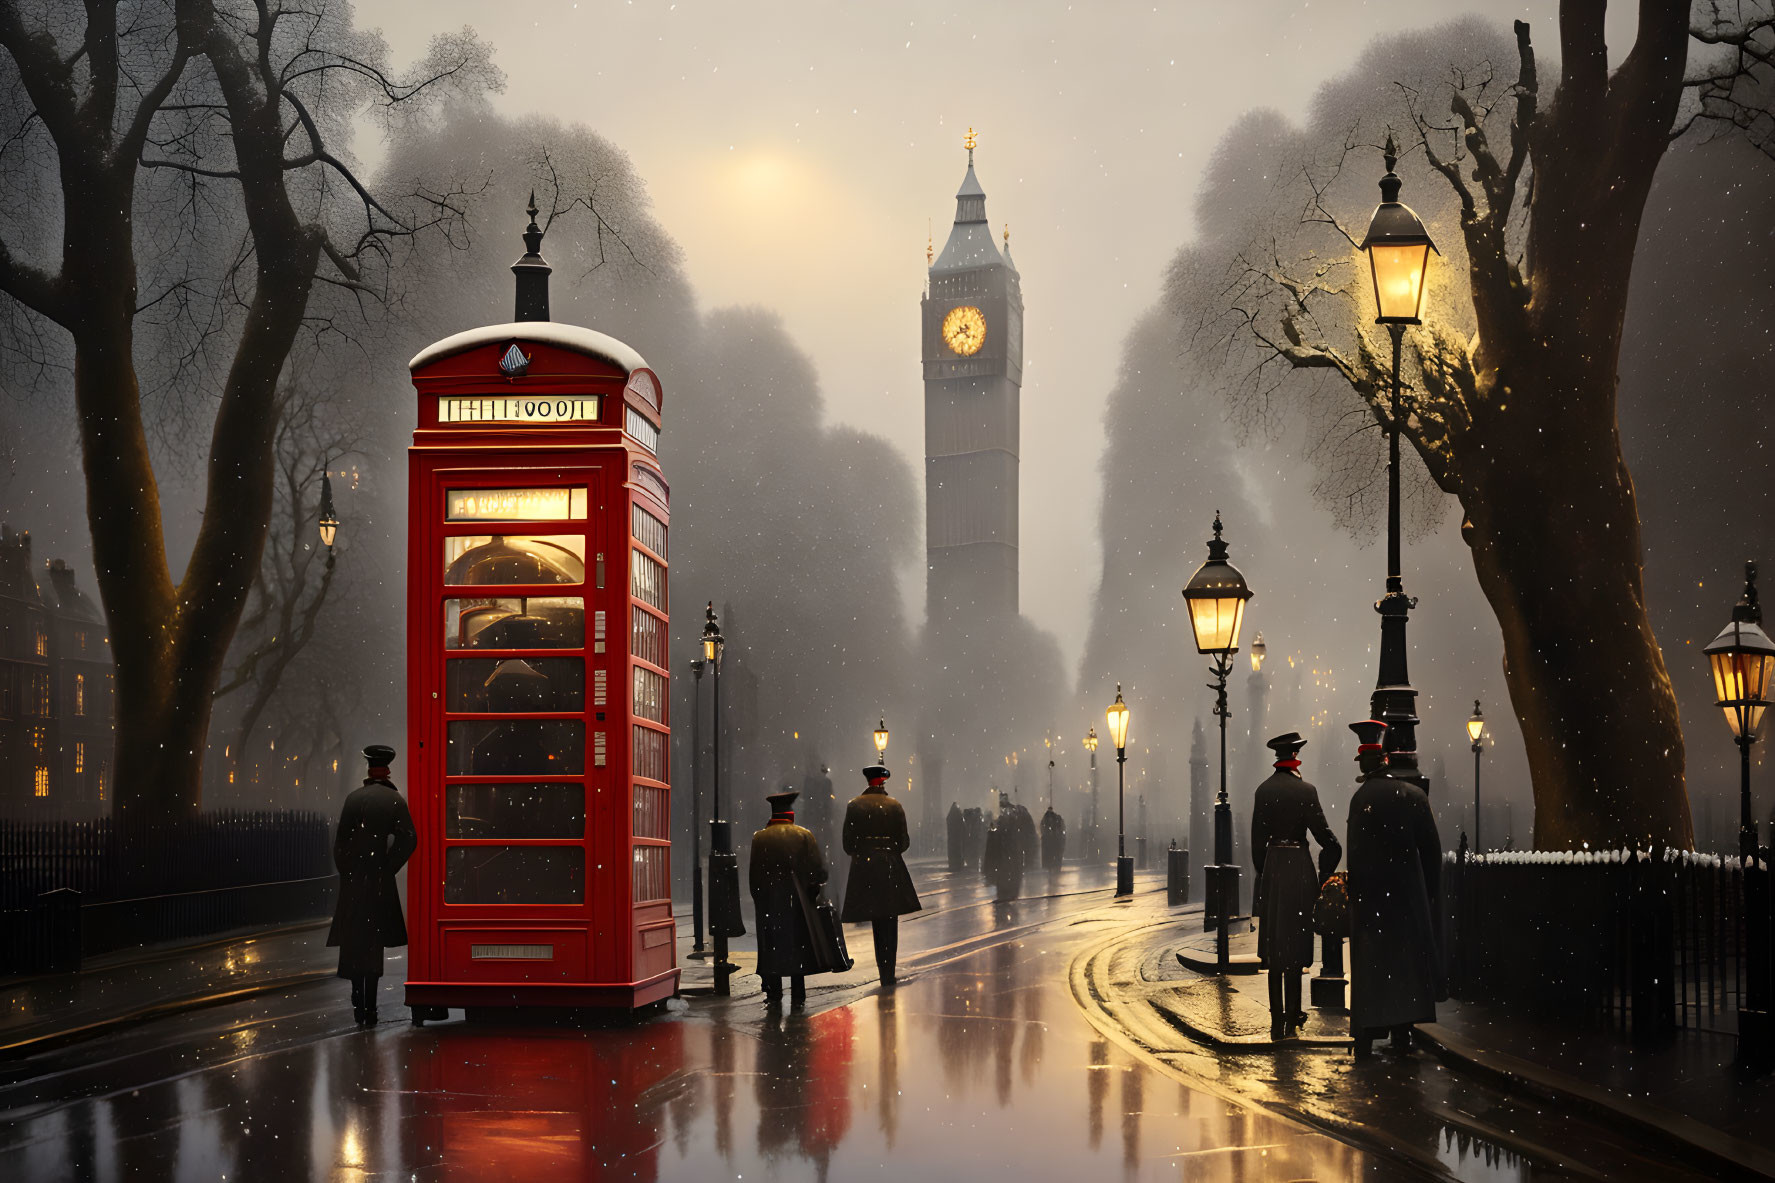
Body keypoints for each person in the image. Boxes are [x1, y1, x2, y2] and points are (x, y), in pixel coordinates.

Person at [1345, 719, 1445, 1059]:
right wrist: (1426, 893)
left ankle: (1368, 1033)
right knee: (1404, 967)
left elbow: (1354, 859)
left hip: (1372, 904)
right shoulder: (1413, 796)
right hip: (1406, 900)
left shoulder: (1360, 800)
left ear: (1365, 764)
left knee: (1374, 968)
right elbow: (1432, 853)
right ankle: (1403, 1031)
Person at [1250, 731, 1341, 1040]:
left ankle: (1276, 1016)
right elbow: (1326, 839)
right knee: (1295, 947)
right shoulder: (1306, 791)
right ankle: (1293, 1014)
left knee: (1275, 949)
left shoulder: (1262, 792)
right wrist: (1325, 873)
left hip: (1274, 868)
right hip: (1299, 870)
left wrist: (1268, 873)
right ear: (1296, 758)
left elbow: (1255, 847)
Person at [327, 744, 417, 1026]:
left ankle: (357, 1000)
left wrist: (349, 872)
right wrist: (388, 868)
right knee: (374, 946)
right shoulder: (394, 801)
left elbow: (340, 844)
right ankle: (371, 1009)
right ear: (387, 770)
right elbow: (409, 840)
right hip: (379, 882)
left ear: (368, 769)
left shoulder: (353, 799)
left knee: (355, 943)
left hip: (355, 883)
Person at [841, 763, 922, 988]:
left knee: (877, 919)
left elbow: (848, 844)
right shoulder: (894, 806)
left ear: (868, 782)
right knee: (890, 921)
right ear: (883, 781)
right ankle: (889, 971)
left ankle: (882, 969)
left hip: (865, 868)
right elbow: (904, 842)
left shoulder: (854, 806)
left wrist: (865, 852)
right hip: (889, 866)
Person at [748, 789, 828, 1007]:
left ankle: (774, 994)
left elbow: (753, 878)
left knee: (772, 948)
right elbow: (820, 873)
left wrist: (763, 899)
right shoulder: (804, 835)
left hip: (769, 904)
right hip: (797, 903)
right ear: (791, 814)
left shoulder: (759, 838)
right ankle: (798, 996)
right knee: (797, 947)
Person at [982, 798, 1024, 902]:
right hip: (1005, 859)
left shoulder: (1008, 826)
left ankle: (1007, 894)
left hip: (1006, 858)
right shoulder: (1004, 826)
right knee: (1005, 878)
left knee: (1006, 878)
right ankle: (1006, 894)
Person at [1040, 805, 1067, 871]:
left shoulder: (1047, 818)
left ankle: (1050, 865)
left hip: (1052, 838)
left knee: (1052, 852)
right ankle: (1053, 865)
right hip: (1053, 838)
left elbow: (1042, 827)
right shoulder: (1054, 818)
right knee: (1055, 852)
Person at [947, 801, 966, 872]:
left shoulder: (950, 815)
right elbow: (963, 825)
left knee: (953, 852)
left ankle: (953, 864)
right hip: (958, 838)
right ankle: (958, 865)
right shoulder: (958, 814)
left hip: (952, 839)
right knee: (958, 851)